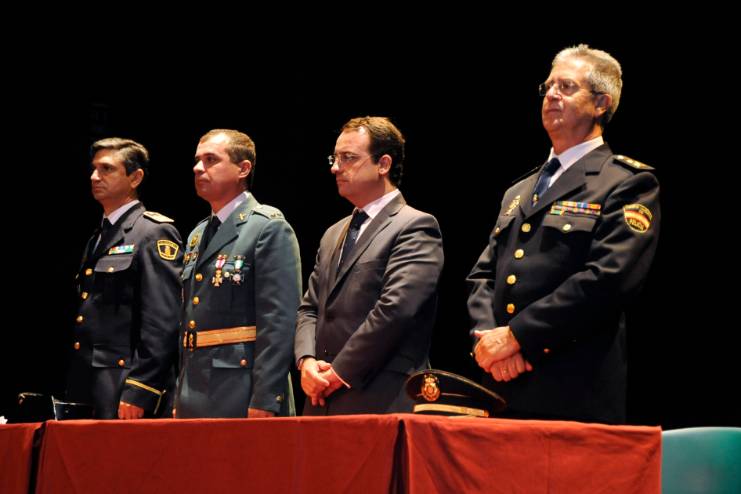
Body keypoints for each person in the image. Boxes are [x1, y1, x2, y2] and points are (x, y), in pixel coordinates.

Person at [467, 44, 660, 424]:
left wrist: (518, 336)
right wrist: (487, 340)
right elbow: (482, 275)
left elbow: (608, 279)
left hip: (572, 390)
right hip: (501, 386)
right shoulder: (519, 190)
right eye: (548, 86)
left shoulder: (627, 182)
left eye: (567, 87)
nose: (552, 94)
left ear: (601, 103)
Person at [295, 116, 444, 415]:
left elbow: (395, 310)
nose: (336, 167)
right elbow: (309, 308)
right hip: (320, 398)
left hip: (379, 396)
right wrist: (306, 361)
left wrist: (339, 372)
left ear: (383, 164)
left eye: (348, 158)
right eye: (335, 158)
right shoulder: (332, 233)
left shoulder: (415, 226)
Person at [174, 129, 301, 418]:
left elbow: (279, 322)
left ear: (243, 169)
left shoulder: (267, 227)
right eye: (197, 160)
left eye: (210, 160)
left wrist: (266, 397)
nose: (197, 168)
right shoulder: (197, 234)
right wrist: (179, 392)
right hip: (193, 387)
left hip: (241, 390)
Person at [67, 137, 183, 419]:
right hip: (90, 381)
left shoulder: (152, 232)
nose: (95, 177)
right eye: (94, 168)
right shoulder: (98, 236)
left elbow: (162, 321)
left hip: (124, 385)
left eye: (107, 169)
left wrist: (141, 388)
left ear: (135, 177)